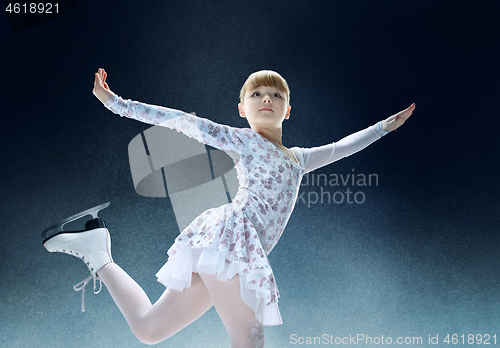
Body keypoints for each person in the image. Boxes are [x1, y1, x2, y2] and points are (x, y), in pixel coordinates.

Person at [43, 68, 415, 347]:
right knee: (250, 341)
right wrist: (117, 104)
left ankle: (96, 250)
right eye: (256, 95)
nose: (266, 99)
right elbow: (182, 122)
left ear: (288, 110)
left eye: (275, 95)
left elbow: (344, 147)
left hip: (233, 251)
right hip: (230, 240)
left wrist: (385, 127)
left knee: (149, 329)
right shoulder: (240, 139)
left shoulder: (299, 159)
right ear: (241, 109)